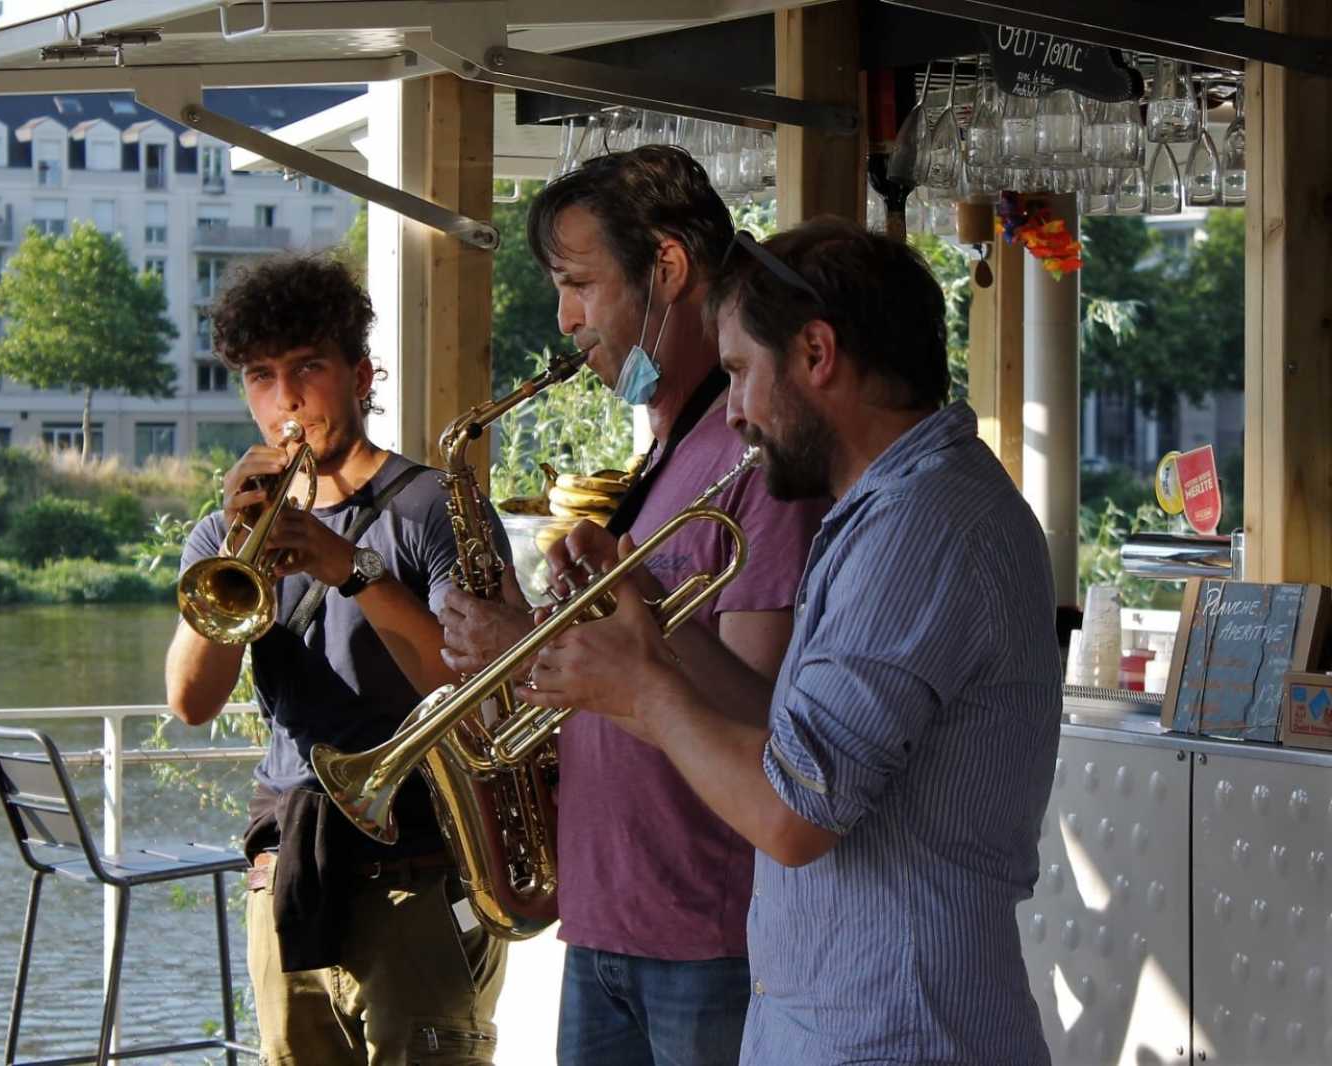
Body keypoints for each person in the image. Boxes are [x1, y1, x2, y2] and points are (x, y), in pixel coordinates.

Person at [516, 218, 1062, 1065]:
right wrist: (650, 615)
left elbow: (795, 813)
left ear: (816, 353)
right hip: (844, 1024)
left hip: (894, 1036)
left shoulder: (923, 529)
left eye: (738, 373)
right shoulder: (893, 509)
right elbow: (790, 744)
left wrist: (646, 693)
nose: (733, 413)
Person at [438, 146, 827, 1066]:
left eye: (579, 284)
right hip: (609, 922)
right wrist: (525, 646)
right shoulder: (662, 456)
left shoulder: (751, 465)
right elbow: (631, 659)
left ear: (667, 269)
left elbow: (762, 718)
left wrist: (525, 650)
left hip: (706, 934)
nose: (566, 318)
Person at [164, 254, 506, 1066]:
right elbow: (189, 702)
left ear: (360, 375)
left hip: (419, 863)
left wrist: (344, 566)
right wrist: (238, 545)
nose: (285, 399)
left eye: (308, 368)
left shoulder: (431, 507)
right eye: (261, 376)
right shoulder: (229, 532)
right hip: (290, 863)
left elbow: (472, 687)